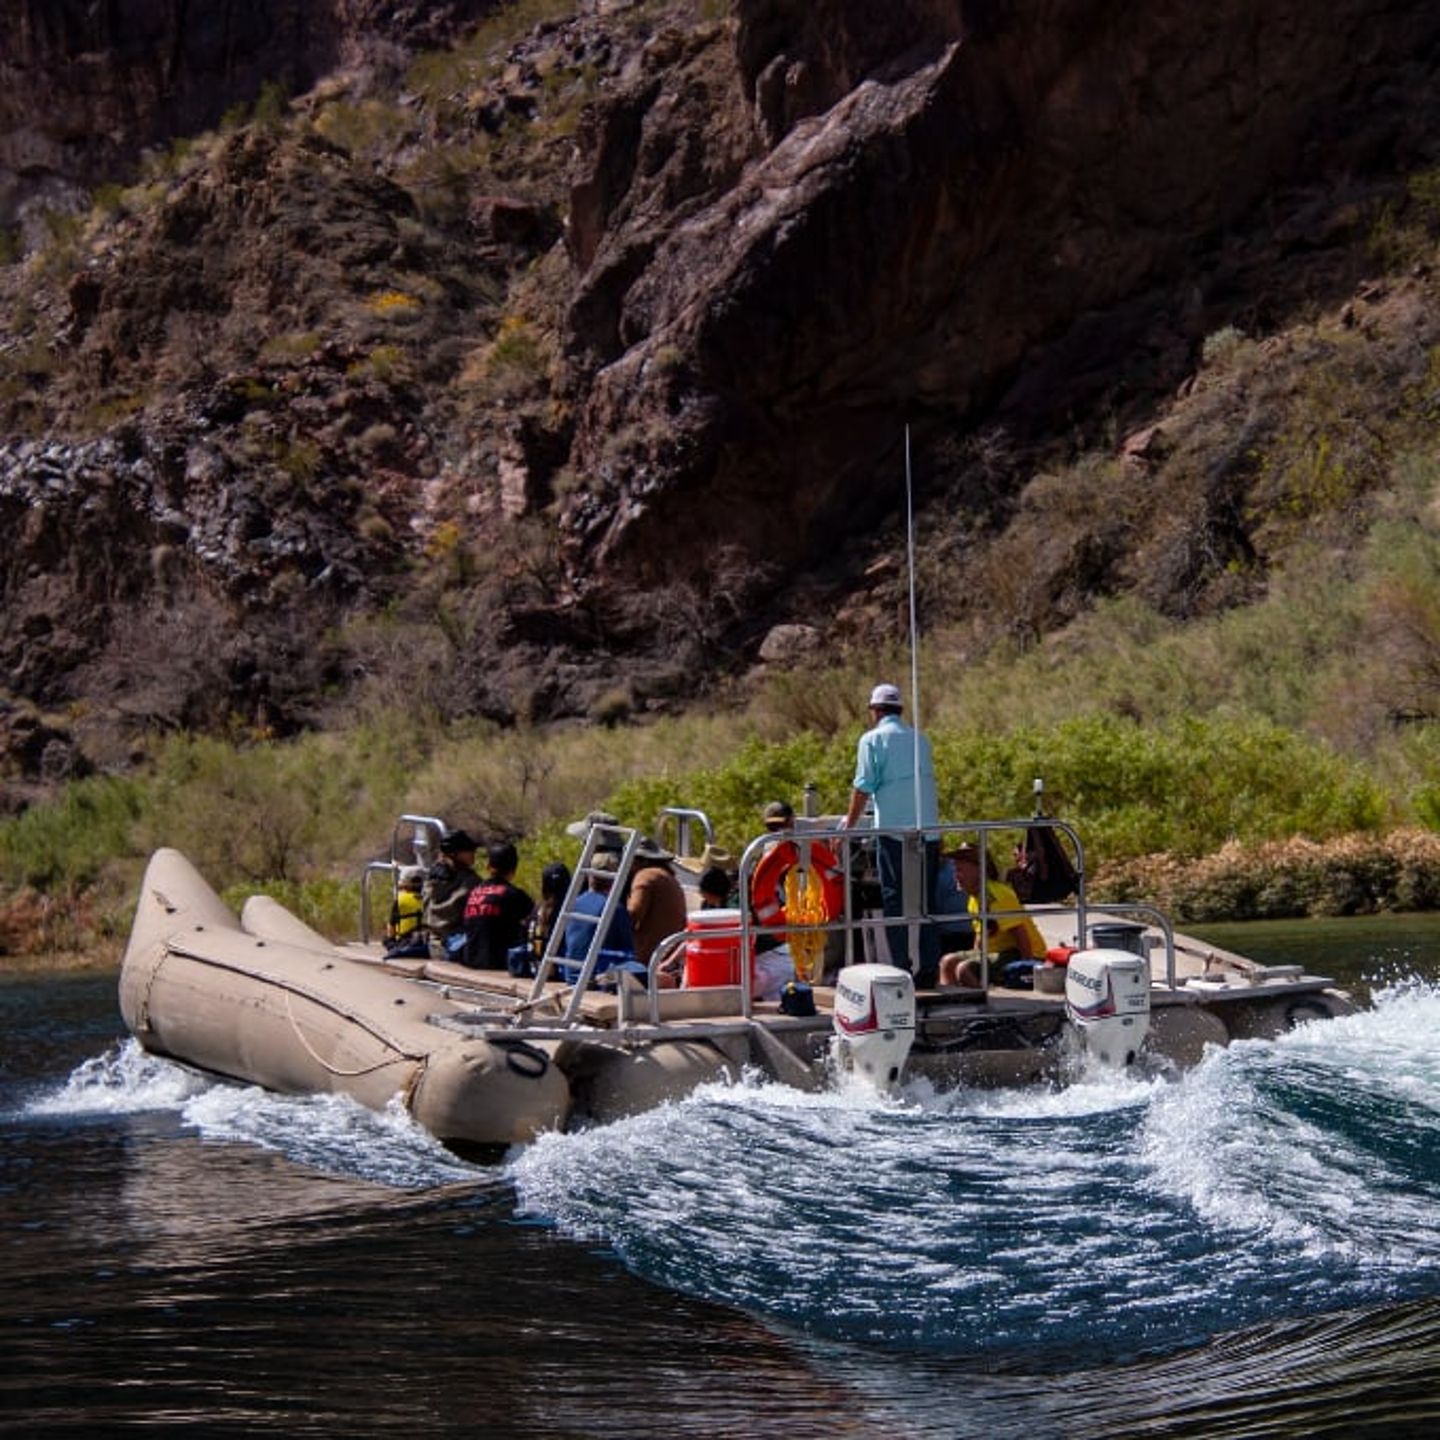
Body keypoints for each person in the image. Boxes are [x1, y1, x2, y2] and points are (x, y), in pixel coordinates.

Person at [841, 682, 942, 988]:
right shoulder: (920, 739)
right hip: (929, 832)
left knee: (894, 899)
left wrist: (849, 825)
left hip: (893, 833)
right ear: (899, 710)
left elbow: (863, 786)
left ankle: (901, 968)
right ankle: (929, 971)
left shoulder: (871, 740)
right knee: (927, 903)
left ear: (876, 711)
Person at [939, 842, 1048, 987]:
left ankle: (980, 1005)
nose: (956, 876)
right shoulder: (973, 897)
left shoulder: (997, 895)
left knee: (965, 969)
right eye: (955, 870)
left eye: (960, 870)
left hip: (1023, 954)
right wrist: (976, 956)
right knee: (947, 961)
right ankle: (952, 1004)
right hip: (998, 953)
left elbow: (1020, 934)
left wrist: (1026, 968)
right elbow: (980, 937)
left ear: (979, 871)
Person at [560, 851, 637, 980]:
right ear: (614, 878)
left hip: (571, 976)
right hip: (597, 980)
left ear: (589, 874)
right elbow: (629, 952)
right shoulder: (614, 908)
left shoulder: (572, 904)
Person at [461, 841, 535, 971]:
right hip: (499, 964)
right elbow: (536, 920)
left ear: (488, 866)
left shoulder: (474, 892)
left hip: (470, 960)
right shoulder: (514, 895)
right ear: (513, 869)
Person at [627, 837, 688, 971]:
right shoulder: (666, 876)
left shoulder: (645, 876)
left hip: (651, 955)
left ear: (639, 861)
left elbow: (633, 914)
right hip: (669, 949)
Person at [424, 828, 481, 959]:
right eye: (468, 850)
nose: (473, 853)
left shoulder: (432, 877)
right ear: (454, 854)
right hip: (454, 942)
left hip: (433, 941)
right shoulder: (470, 881)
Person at [383, 865, 429, 957]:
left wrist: (390, 939)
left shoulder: (401, 900)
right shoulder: (430, 898)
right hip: (426, 940)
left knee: (385, 940)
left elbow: (391, 926)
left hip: (405, 941)